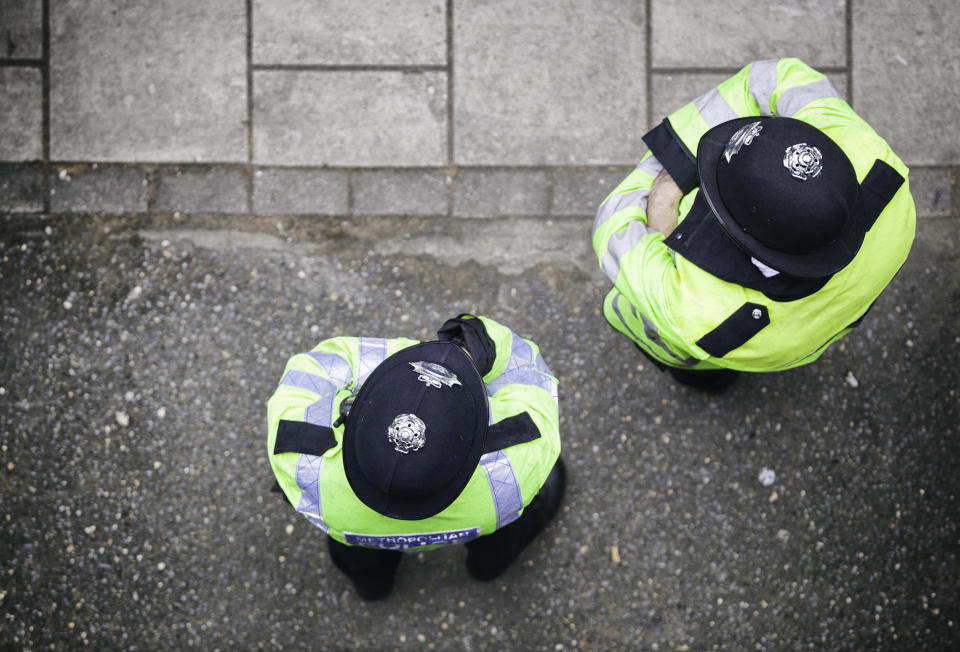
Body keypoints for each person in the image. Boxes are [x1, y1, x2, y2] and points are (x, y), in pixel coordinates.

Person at [592, 58, 915, 392]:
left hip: (686, 340)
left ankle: (707, 381)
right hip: (838, 314)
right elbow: (779, 77)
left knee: (695, 364)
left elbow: (613, 223)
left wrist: (668, 185)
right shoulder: (876, 164)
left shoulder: (698, 313)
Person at [266, 314, 565, 600]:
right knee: (508, 530)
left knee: (357, 557)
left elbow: (317, 369)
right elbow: (524, 370)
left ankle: (373, 587)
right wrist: (464, 348)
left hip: (351, 522)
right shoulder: (513, 468)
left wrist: (401, 370)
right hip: (484, 514)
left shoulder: (304, 458)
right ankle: (487, 568)